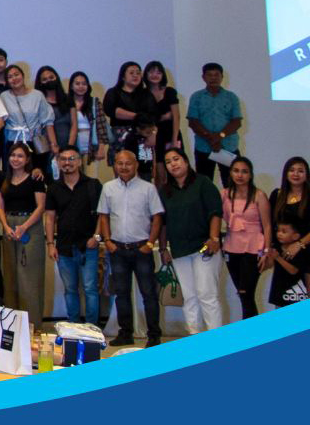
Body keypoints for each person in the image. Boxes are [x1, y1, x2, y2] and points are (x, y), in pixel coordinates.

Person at [99, 148, 165, 345]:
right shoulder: (108, 188)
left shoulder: (148, 188)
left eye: (128, 163)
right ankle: (125, 333)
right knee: (121, 294)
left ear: (136, 165)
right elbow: (103, 216)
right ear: (115, 165)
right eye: (120, 163)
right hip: (118, 249)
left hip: (141, 249)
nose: (124, 167)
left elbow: (157, 217)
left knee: (149, 294)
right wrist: (108, 241)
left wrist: (150, 243)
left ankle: (154, 335)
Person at [158, 148, 224, 334]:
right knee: (189, 297)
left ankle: (217, 341)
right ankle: (194, 337)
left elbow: (215, 212)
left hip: (204, 248)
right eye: (168, 162)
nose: (173, 164)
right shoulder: (165, 191)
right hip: (179, 250)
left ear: (186, 161)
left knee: (207, 295)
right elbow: (162, 222)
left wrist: (214, 238)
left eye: (176, 159)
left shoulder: (203, 183)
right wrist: (163, 249)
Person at [44, 147, 104, 325]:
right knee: (70, 290)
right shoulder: (54, 188)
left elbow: (103, 214)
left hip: (88, 246)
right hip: (64, 247)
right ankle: (74, 327)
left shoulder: (93, 185)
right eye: (63, 159)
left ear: (79, 161)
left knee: (90, 289)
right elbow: (50, 218)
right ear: (58, 162)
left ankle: (93, 329)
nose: (67, 163)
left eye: (71, 159)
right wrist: (50, 244)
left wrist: (97, 237)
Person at [0, 142, 48, 320]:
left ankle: (32, 324)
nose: (15, 159)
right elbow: (0, 206)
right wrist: (6, 226)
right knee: (10, 275)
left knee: (29, 277)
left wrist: (24, 226)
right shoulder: (3, 179)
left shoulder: (35, 178)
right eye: (13, 155)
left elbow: (41, 207)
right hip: (9, 226)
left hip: (30, 226)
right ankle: (12, 323)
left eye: (20, 156)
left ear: (27, 159)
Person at [219, 157, 270, 323]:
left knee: (246, 293)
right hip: (231, 247)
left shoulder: (259, 195)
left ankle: (250, 334)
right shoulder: (224, 194)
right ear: (230, 173)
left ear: (250, 175)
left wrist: (267, 251)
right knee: (243, 295)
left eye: (244, 172)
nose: (240, 175)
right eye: (236, 171)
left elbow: (267, 225)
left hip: (254, 247)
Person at [187, 63, 243, 187]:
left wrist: (219, 136)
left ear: (222, 77)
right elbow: (193, 122)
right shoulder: (196, 97)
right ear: (203, 77)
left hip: (227, 147)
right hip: (204, 147)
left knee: (232, 183)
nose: (213, 78)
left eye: (216, 75)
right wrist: (211, 139)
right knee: (204, 184)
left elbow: (236, 122)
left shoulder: (231, 97)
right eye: (209, 75)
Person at [0, 65, 54, 165]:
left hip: (35, 142)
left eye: (16, 74)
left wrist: (53, 144)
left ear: (23, 75)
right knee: (14, 172)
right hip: (13, 142)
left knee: (37, 171)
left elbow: (47, 122)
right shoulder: (4, 96)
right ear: (7, 81)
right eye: (10, 77)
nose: (14, 78)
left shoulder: (37, 95)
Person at [264, 218, 309, 310]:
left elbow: (293, 270)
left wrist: (278, 258)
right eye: (278, 231)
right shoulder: (276, 247)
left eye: (284, 232)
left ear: (295, 236)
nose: (279, 234)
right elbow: (270, 265)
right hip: (279, 289)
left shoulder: (298, 252)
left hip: (294, 292)